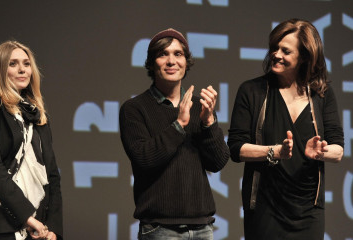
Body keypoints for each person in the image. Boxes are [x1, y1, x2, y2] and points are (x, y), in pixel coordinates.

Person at [228, 19, 344, 239]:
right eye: (274, 48)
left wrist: (321, 152)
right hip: (265, 206)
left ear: (305, 57)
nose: (276, 54)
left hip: (309, 209)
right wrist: (274, 151)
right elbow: (235, 148)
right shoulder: (252, 91)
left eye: (285, 50)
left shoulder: (322, 94)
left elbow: (338, 150)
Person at [119, 28, 230, 239]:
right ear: (152, 63)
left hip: (203, 227)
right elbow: (144, 158)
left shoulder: (199, 106)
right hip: (160, 228)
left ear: (186, 62)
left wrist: (208, 122)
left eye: (178, 54)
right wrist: (179, 124)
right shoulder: (134, 108)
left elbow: (218, 162)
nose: (171, 61)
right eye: (163, 54)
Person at [0, 41, 63, 240]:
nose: (22, 69)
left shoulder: (37, 114)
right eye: (13, 64)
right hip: (4, 223)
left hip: (40, 227)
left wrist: (53, 228)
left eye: (26, 64)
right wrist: (27, 217)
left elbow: (52, 175)